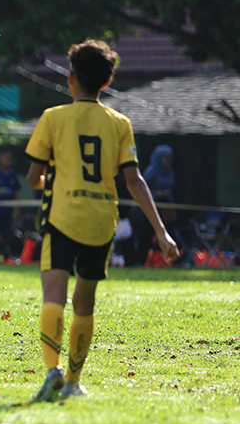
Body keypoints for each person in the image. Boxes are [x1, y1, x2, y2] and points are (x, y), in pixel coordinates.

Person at [25, 39, 180, 402]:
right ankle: (75, 383)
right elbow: (134, 180)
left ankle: (53, 371)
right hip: (101, 220)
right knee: (85, 303)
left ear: (70, 79)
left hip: (62, 215)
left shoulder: (53, 118)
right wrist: (162, 231)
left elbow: (33, 177)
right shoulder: (119, 123)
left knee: (53, 296)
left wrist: (49, 181)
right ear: (107, 82)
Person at [133, 144, 176, 265]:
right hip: (151, 207)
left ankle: (172, 261)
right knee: (146, 235)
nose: (168, 160)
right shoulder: (151, 171)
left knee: (170, 233)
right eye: (167, 157)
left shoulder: (170, 171)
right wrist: (156, 194)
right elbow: (142, 190)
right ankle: (141, 261)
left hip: (166, 209)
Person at [0, 149, 22, 260]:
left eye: (9, 158)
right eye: (6, 158)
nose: (8, 161)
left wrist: (17, 209)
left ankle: (5, 256)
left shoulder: (13, 175)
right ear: (0, 160)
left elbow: (16, 193)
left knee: (7, 234)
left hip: (8, 212)